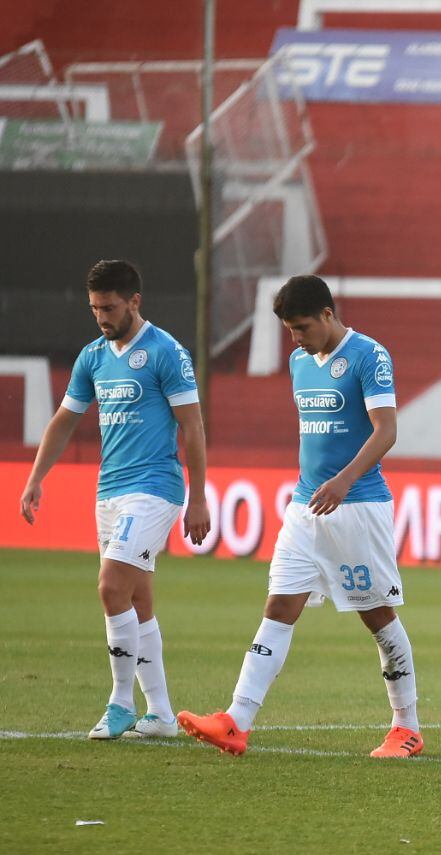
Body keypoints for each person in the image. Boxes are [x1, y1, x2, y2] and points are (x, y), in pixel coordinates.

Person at [177, 275, 424, 758]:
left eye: (303, 327)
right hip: (305, 507)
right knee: (278, 607)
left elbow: (387, 430)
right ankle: (236, 720)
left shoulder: (369, 356)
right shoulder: (298, 362)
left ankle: (407, 728)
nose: (297, 338)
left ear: (328, 315)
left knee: (376, 617)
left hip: (357, 507)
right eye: (290, 330)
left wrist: (346, 479)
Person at [20, 259, 210, 740]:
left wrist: (199, 498)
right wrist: (36, 477)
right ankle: (161, 713)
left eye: (109, 307)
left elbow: (192, 425)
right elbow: (65, 420)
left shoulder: (166, 352)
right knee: (137, 598)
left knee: (109, 587)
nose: (101, 317)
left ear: (134, 302)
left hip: (155, 488)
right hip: (109, 492)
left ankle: (120, 702)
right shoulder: (93, 358)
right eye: (94, 308)